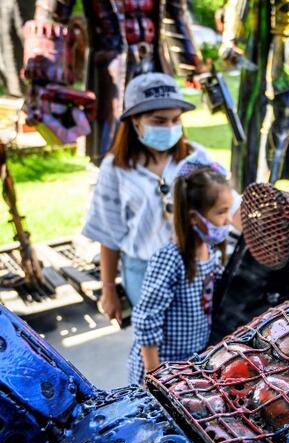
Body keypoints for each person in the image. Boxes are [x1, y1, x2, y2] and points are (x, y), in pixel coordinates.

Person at [82, 72, 239, 325]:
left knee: (194, 338)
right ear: (135, 121)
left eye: (175, 120)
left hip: (194, 270)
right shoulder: (116, 168)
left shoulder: (196, 158)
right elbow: (108, 234)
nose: (169, 128)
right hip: (142, 273)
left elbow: (230, 206)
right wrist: (108, 288)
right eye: (159, 121)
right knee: (153, 340)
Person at [128, 165, 233, 384]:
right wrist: (154, 376)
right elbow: (146, 318)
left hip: (187, 365)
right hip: (162, 368)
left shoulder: (210, 252)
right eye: (221, 212)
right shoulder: (170, 259)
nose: (228, 220)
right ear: (194, 218)